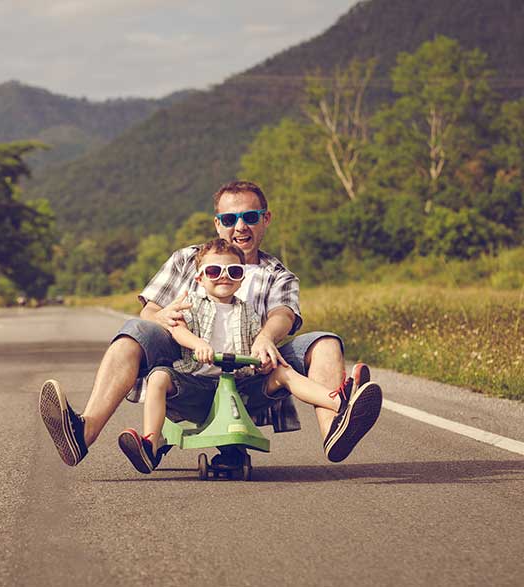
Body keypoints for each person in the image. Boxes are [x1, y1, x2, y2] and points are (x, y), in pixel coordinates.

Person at [38, 180, 382, 467]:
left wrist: (265, 337)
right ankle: (83, 433)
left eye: (250, 216)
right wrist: (164, 319)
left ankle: (337, 425)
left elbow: (283, 315)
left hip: (252, 380)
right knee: (135, 330)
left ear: (266, 219)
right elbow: (150, 311)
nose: (240, 226)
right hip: (188, 376)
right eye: (230, 218)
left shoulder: (278, 275)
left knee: (325, 341)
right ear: (218, 223)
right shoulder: (189, 260)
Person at [115, 237, 382, 473]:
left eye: (233, 271)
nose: (224, 276)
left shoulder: (248, 312)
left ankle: (340, 404)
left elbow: (257, 342)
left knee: (282, 371)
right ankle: (150, 442)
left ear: (242, 277)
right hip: (196, 384)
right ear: (199, 277)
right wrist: (197, 344)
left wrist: (263, 357)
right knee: (159, 377)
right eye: (213, 270)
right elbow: (177, 328)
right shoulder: (192, 304)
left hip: (241, 386)